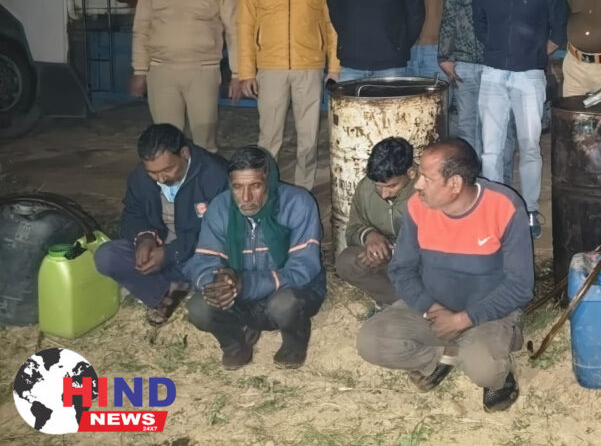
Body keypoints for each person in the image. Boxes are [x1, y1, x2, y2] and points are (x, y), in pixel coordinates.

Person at [356, 139, 533, 412]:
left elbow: (520, 286)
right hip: (433, 310)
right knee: (370, 341)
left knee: (485, 371)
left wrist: (463, 319)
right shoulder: (417, 207)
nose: (417, 184)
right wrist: (431, 309)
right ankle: (442, 355)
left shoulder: (504, 207)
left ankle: (489, 353)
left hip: (486, 314)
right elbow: (401, 269)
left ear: (455, 184)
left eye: (426, 178)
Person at [183, 146, 326, 370]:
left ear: (269, 180)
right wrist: (217, 283)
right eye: (237, 187)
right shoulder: (220, 207)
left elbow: (303, 269)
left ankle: (294, 343)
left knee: (284, 305)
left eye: (255, 186)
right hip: (240, 294)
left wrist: (246, 284)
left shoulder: (298, 203)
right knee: (199, 308)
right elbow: (204, 260)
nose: (246, 197)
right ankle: (234, 345)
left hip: (288, 291)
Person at [473, 0, 568, 238]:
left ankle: (529, 210)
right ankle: (492, 209)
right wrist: (499, 51)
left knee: (529, 146)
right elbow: (480, 26)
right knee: (491, 149)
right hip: (493, 74)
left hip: (530, 76)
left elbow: (559, 30)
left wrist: (533, 54)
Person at [237, 0, 339, 191]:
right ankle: (265, 188)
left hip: (309, 67)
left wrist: (334, 67)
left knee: (309, 136)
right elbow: (245, 26)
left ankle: (304, 188)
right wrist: (246, 72)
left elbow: (331, 24)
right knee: (269, 136)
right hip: (270, 68)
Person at [94, 123, 228, 327]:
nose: (161, 178)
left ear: (184, 154)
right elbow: (133, 213)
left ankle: (179, 285)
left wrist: (171, 253)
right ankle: (166, 291)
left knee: (220, 282)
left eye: (168, 169)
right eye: (153, 173)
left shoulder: (216, 175)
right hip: (162, 249)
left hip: (200, 253)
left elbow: (221, 232)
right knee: (107, 256)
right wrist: (143, 237)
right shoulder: (140, 176)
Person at [130, 0, 239, 153]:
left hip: (203, 71)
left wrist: (238, 73)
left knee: (204, 141)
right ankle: (170, 177)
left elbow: (234, 30)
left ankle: (204, 176)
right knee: (166, 142)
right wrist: (140, 71)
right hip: (161, 71)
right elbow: (141, 28)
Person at [437, 0, 515, 181]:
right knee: (467, 127)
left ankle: (501, 186)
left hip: (498, 64)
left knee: (500, 129)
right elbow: (448, 14)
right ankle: (473, 184)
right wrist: (445, 55)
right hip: (464, 63)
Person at [335, 136, 417, 307]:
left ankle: (412, 301)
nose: (384, 194)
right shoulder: (365, 187)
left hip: (419, 263)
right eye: (378, 186)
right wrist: (369, 236)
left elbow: (438, 245)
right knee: (346, 262)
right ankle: (402, 301)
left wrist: (391, 251)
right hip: (388, 263)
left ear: (410, 173)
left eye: (391, 186)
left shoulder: (426, 189)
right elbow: (352, 231)